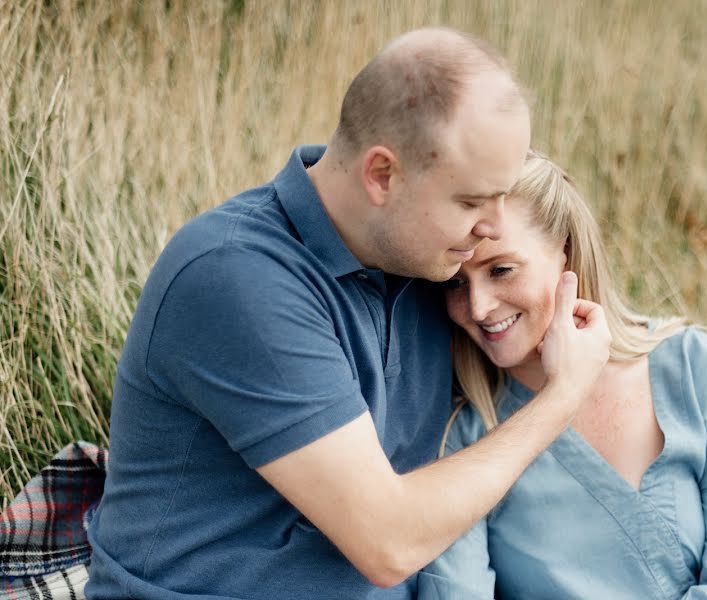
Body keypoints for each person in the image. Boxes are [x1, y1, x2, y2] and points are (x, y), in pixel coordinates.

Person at [85, 29, 612, 600]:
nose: (490, 227)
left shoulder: (433, 267)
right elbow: (387, 544)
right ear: (382, 175)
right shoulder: (236, 276)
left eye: (501, 195)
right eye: (470, 201)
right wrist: (563, 395)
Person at [419, 150, 707, 599]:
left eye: (501, 270)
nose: (478, 306)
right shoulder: (465, 435)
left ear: (565, 249)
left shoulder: (693, 369)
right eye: (456, 281)